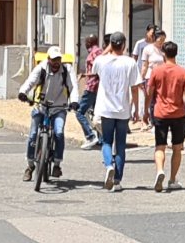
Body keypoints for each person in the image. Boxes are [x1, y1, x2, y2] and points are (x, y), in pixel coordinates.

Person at [89, 31, 142, 190]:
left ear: (110, 44)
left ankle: (109, 166)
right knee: (120, 145)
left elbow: (94, 70)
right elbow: (134, 88)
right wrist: (136, 109)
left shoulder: (101, 60)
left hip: (105, 109)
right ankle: (117, 179)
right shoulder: (130, 63)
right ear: (124, 45)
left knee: (106, 141)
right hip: (123, 109)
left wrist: (108, 49)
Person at [19, 47, 76, 183]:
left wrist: (74, 102)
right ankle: (30, 165)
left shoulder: (66, 70)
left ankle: (56, 164)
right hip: (41, 106)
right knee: (33, 135)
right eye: (53, 60)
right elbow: (30, 81)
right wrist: (23, 92)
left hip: (59, 107)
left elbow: (73, 87)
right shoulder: (41, 68)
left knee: (59, 133)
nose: (56, 63)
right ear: (48, 59)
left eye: (58, 59)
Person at [144, 42, 185, 191]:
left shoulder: (156, 71)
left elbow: (150, 93)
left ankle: (160, 170)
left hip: (160, 112)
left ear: (163, 54)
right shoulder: (184, 72)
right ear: (176, 53)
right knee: (177, 147)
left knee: (160, 146)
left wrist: (145, 111)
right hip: (178, 113)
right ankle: (172, 179)